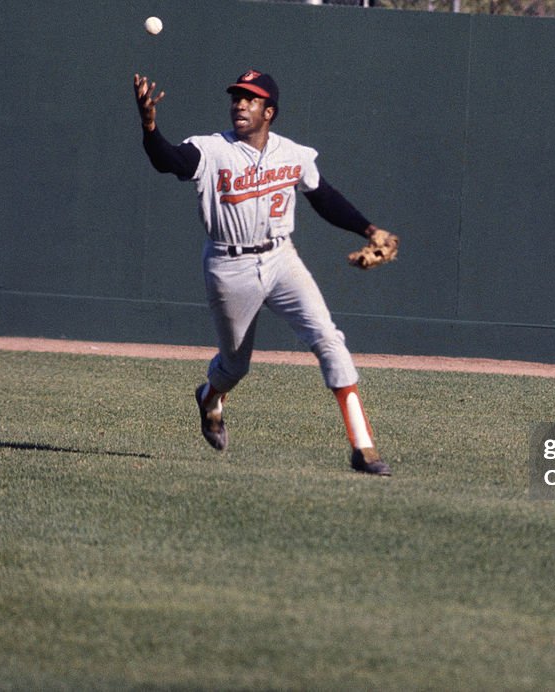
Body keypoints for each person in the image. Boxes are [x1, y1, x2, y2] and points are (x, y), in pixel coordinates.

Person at [133, 69, 397, 476]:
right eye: (237, 97)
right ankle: (209, 398)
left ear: (268, 111)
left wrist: (369, 229)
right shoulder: (211, 149)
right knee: (235, 367)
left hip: (280, 259)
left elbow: (324, 197)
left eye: (251, 99)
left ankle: (363, 448)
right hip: (228, 264)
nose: (240, 104)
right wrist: (150, 126)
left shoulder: (291, 153)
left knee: (328, 339)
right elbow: (167, 160)